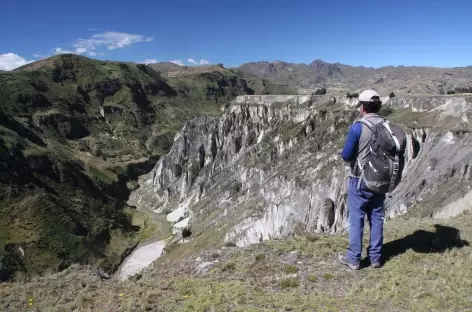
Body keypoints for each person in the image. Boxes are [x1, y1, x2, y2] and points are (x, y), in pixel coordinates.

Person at [338, 90, 385, 270]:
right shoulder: (386, 125)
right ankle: (376, 258)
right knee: (377, 217)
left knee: (357, 218)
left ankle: (353, 258)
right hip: (381, 179)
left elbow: (347, 155)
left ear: (363, 106)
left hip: (360, 180)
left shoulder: (358, 127)